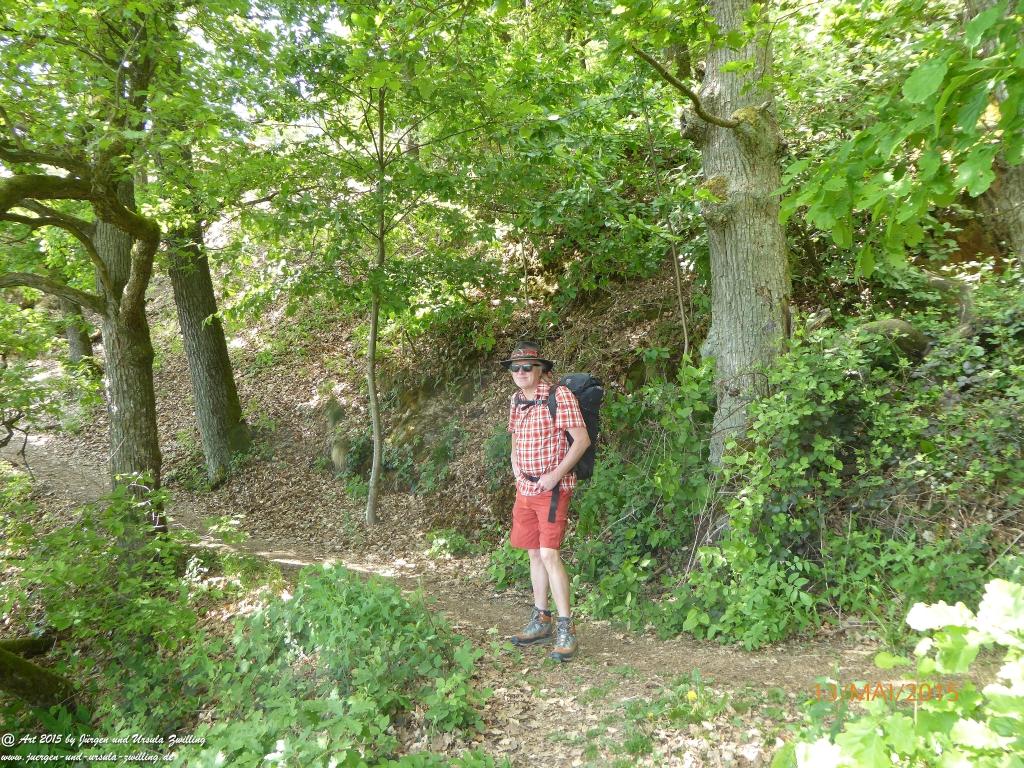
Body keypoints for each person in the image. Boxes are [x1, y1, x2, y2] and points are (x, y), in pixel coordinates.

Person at [502, 339, 590, 662]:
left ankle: (566, 628)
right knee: (534, 554)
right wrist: (515, 468)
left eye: (528, 367)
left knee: (550, 554)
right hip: (524, 490)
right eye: (516, 367)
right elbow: (514, 438)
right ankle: (542, 619)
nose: (521, 372)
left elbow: (581, 440)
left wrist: (554, 476)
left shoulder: (559, 396)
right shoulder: (516, 400)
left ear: (540, 370)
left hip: (552, 489)